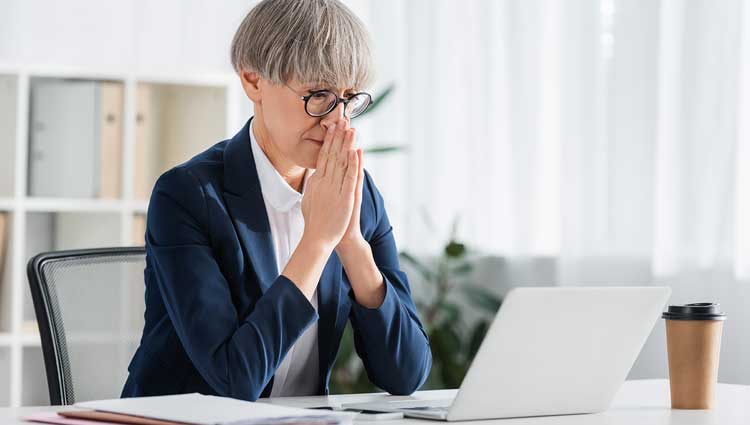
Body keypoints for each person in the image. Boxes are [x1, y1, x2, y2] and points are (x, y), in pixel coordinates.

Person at [122, 0, 431, 401]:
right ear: (253, 82)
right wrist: (317, 242)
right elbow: (235, 380)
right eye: (318, 94)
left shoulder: (357, 193)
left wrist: (351, 242)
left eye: (349, 97)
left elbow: (407, 375)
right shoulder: (187, 197)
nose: (337, 120)